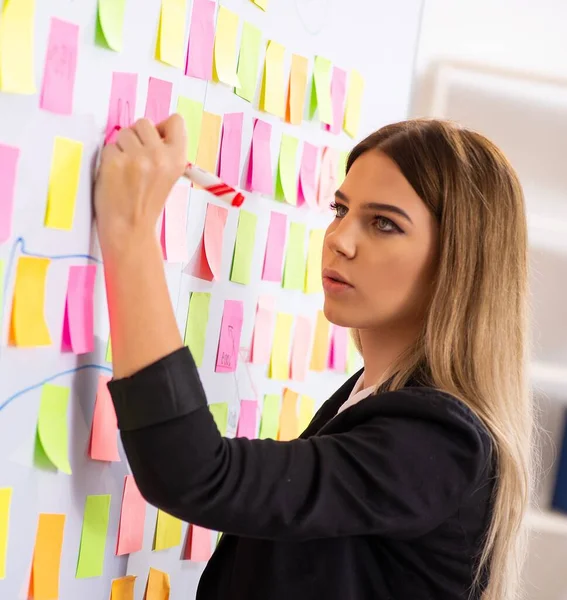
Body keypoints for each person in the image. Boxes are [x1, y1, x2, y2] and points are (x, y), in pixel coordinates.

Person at [95, 116, 534, 600]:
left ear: (457, 261)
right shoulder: (368, 397)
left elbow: (194, 473)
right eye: (340, 209)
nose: (340, 240)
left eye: (384, 224)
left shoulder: (439, 441)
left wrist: (130, 231)